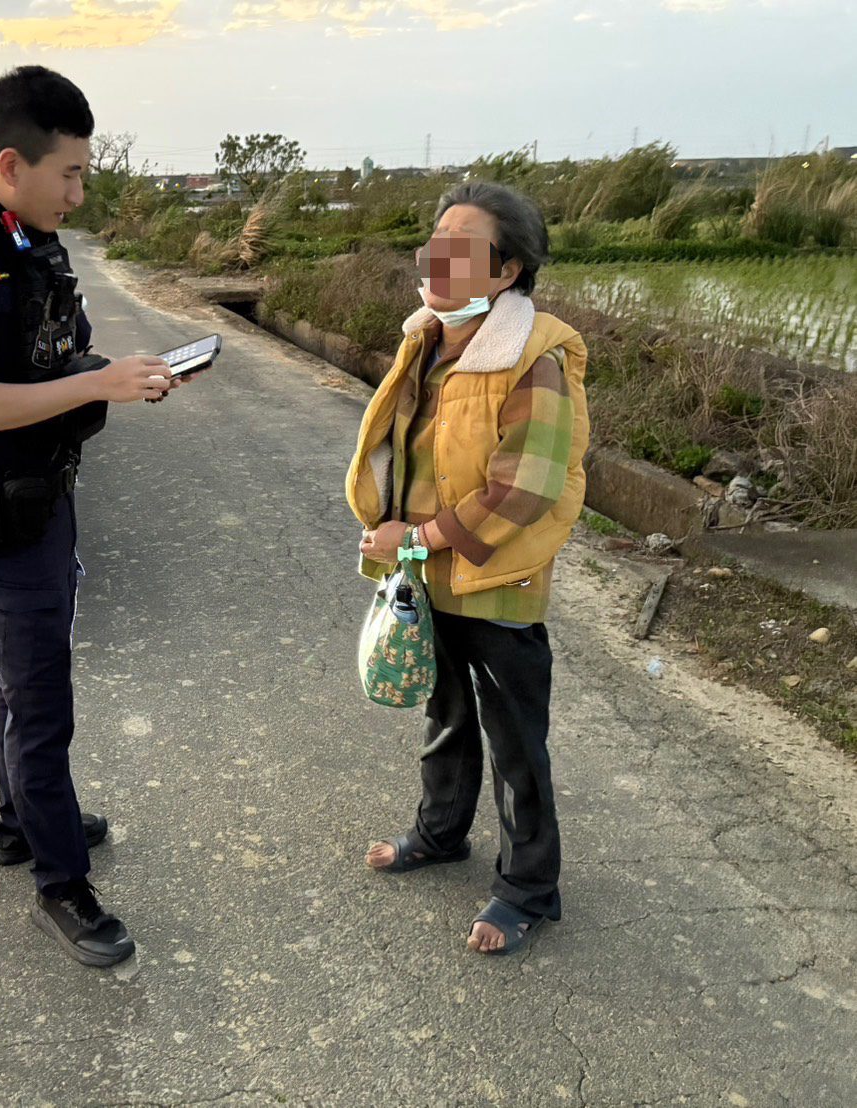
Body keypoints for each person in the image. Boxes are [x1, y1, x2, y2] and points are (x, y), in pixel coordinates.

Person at [0, 66, 193, 967]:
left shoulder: (28, 239)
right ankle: (62, 887)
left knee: (17, 679)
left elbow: (45, 358)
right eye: (68, 173)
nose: (80, 189)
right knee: (41, 705)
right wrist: (96, 383)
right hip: (3, 510)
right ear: (11, 161)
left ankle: (14, 823)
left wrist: (115, 371)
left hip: (48, 496)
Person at [344, 182, 590, 955]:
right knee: (443, 712)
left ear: (506, 270)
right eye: (435, 241)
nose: (436, 258)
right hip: (425, 578)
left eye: (462, 247)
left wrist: (411, 541)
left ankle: (528, 888)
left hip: (494, 581)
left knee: (516, 739)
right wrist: (389, 532)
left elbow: (522, 492)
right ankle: (439, 834)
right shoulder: (426, 339)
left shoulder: (532, 359)